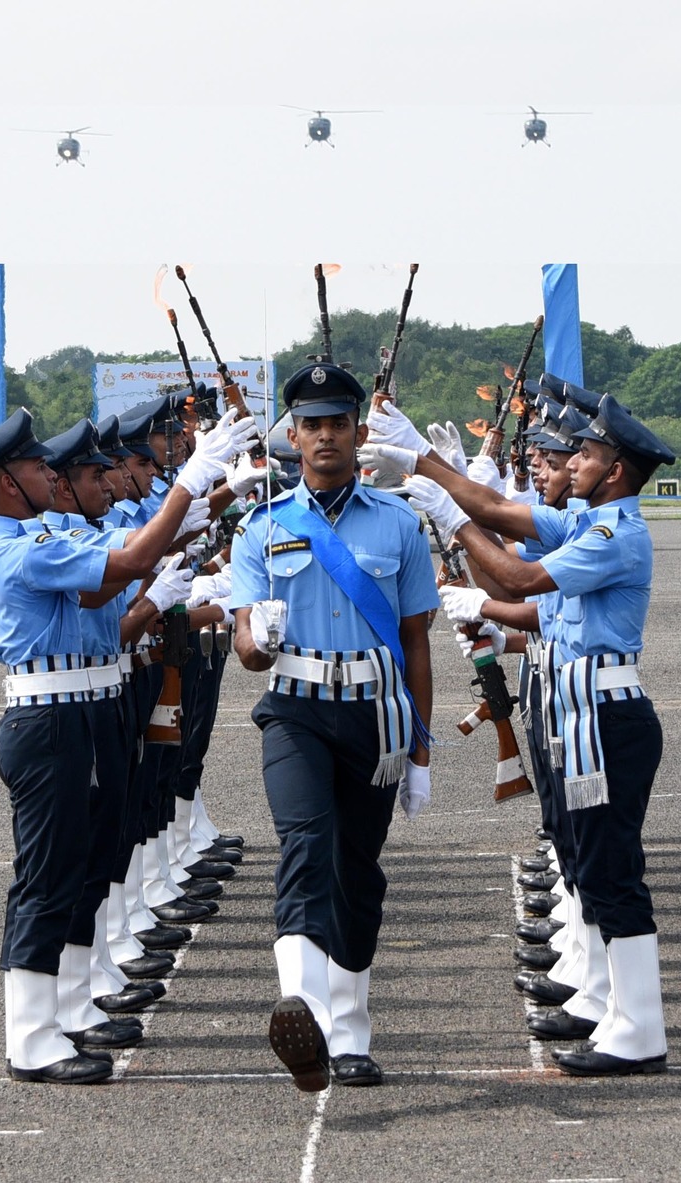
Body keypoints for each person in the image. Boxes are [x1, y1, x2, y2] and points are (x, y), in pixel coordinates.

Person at [370, 390, 677, 1077]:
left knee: (610, 870)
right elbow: (502, 513)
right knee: (588, 861)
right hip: (581, 714)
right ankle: (610, 1006)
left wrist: (454, 528)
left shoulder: (611, 533)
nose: (574, 465)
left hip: (604, 718)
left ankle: (641, 1027)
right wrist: (423, 457)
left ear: (616, 471)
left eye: (589, 455)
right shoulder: (587, 520)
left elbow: (518, 573)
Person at [0, 405, 256, 1085]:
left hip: (80, 711)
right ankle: (31, 1035)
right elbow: (131, 559)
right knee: (45, 876)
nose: (50, 477)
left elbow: (116, 581)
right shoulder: (19, 547)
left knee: (84, 867)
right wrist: (198, 481)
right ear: (8, 483)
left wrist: (182, 558)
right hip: (50, 719)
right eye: (36, 467)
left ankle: (66, 1008)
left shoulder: (42, 540)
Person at [227, 363, 438, 1092]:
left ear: (357, 431)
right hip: (294, 709)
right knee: (305, 841)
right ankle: (305, 1011)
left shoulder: (400, 523)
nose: (324, 435)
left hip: (375, 713)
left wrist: (421, 748)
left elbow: (415, 640)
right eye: (311, 423)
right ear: (292, 434)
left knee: (355, 870)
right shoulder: (260, 528)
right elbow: (245, 643)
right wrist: (256, 641)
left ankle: (350, 1031)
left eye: (337, 422)